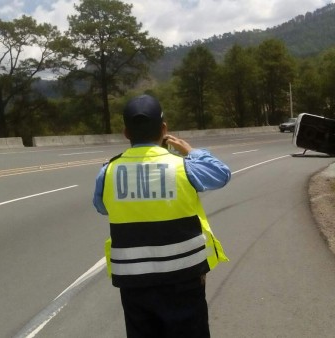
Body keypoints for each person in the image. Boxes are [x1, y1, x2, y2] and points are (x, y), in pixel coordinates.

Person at [92, 94, 231, 337]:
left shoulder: (109, 171)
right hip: (184, 277)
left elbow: (102, 207)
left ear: (126, 132)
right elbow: (221, 174)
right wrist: (191, 151)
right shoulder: (183, 166)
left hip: (133, 281)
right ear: (164, 129)